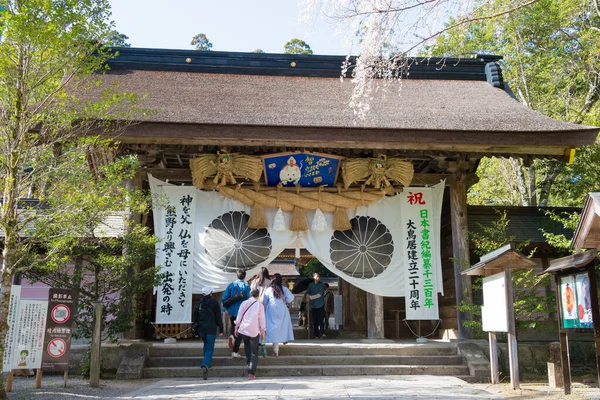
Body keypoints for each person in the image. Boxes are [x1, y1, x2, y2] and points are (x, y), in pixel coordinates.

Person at [191, 286, 224, 380]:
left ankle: (207, 361)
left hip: (201, 329)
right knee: (210, 347)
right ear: (210, 294)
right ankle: (205, 364)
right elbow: (218, 317)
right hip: (211, 329)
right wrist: (221, 329)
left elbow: (194, 318)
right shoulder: (214, 303)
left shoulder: (198, 304)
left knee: (206, 345)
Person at [234, 288, 266, 380]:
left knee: (246, 345)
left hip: (244, 329)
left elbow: (239, 315)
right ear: (258, 295)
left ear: (250, 294)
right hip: (254, 330)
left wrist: (236, 327)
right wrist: (263, 330)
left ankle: (249, 362)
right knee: (254, 352)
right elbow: (262, 319)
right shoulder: (260, 305)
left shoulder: (244, 303)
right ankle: (251, 372)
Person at [263, 273, 294, 356]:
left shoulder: (269, 290)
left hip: (271, 310)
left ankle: (267, 347)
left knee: (271, 328)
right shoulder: (284, 289)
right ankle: (278, 348)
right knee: (281, 327)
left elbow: (265, 301)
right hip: (282, 311)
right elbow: (291, 298)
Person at [222, 269, 251, 358]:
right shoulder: (246, 286)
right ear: (244, 276)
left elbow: (224, 298)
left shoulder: (232, 285)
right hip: (243, 311)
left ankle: (231, 335)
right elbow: (248, 299)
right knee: (240, 330)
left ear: (237, 276)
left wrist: (225, 308)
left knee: (233, 325)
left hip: (232, 310)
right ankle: (235, 351)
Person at [306, 272, 326, 338]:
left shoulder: (321, 285)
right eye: (316, 276)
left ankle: (322, 333)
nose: (318, 278)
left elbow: (320, 294)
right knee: (315, 320)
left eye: (318, 277)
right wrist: (308, 296)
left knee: (321, 319)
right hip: (313, 305)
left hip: (320, 304)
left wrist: (310, 297)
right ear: (313, 277)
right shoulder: (310, 285)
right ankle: (316, 334)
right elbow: (308, 293)